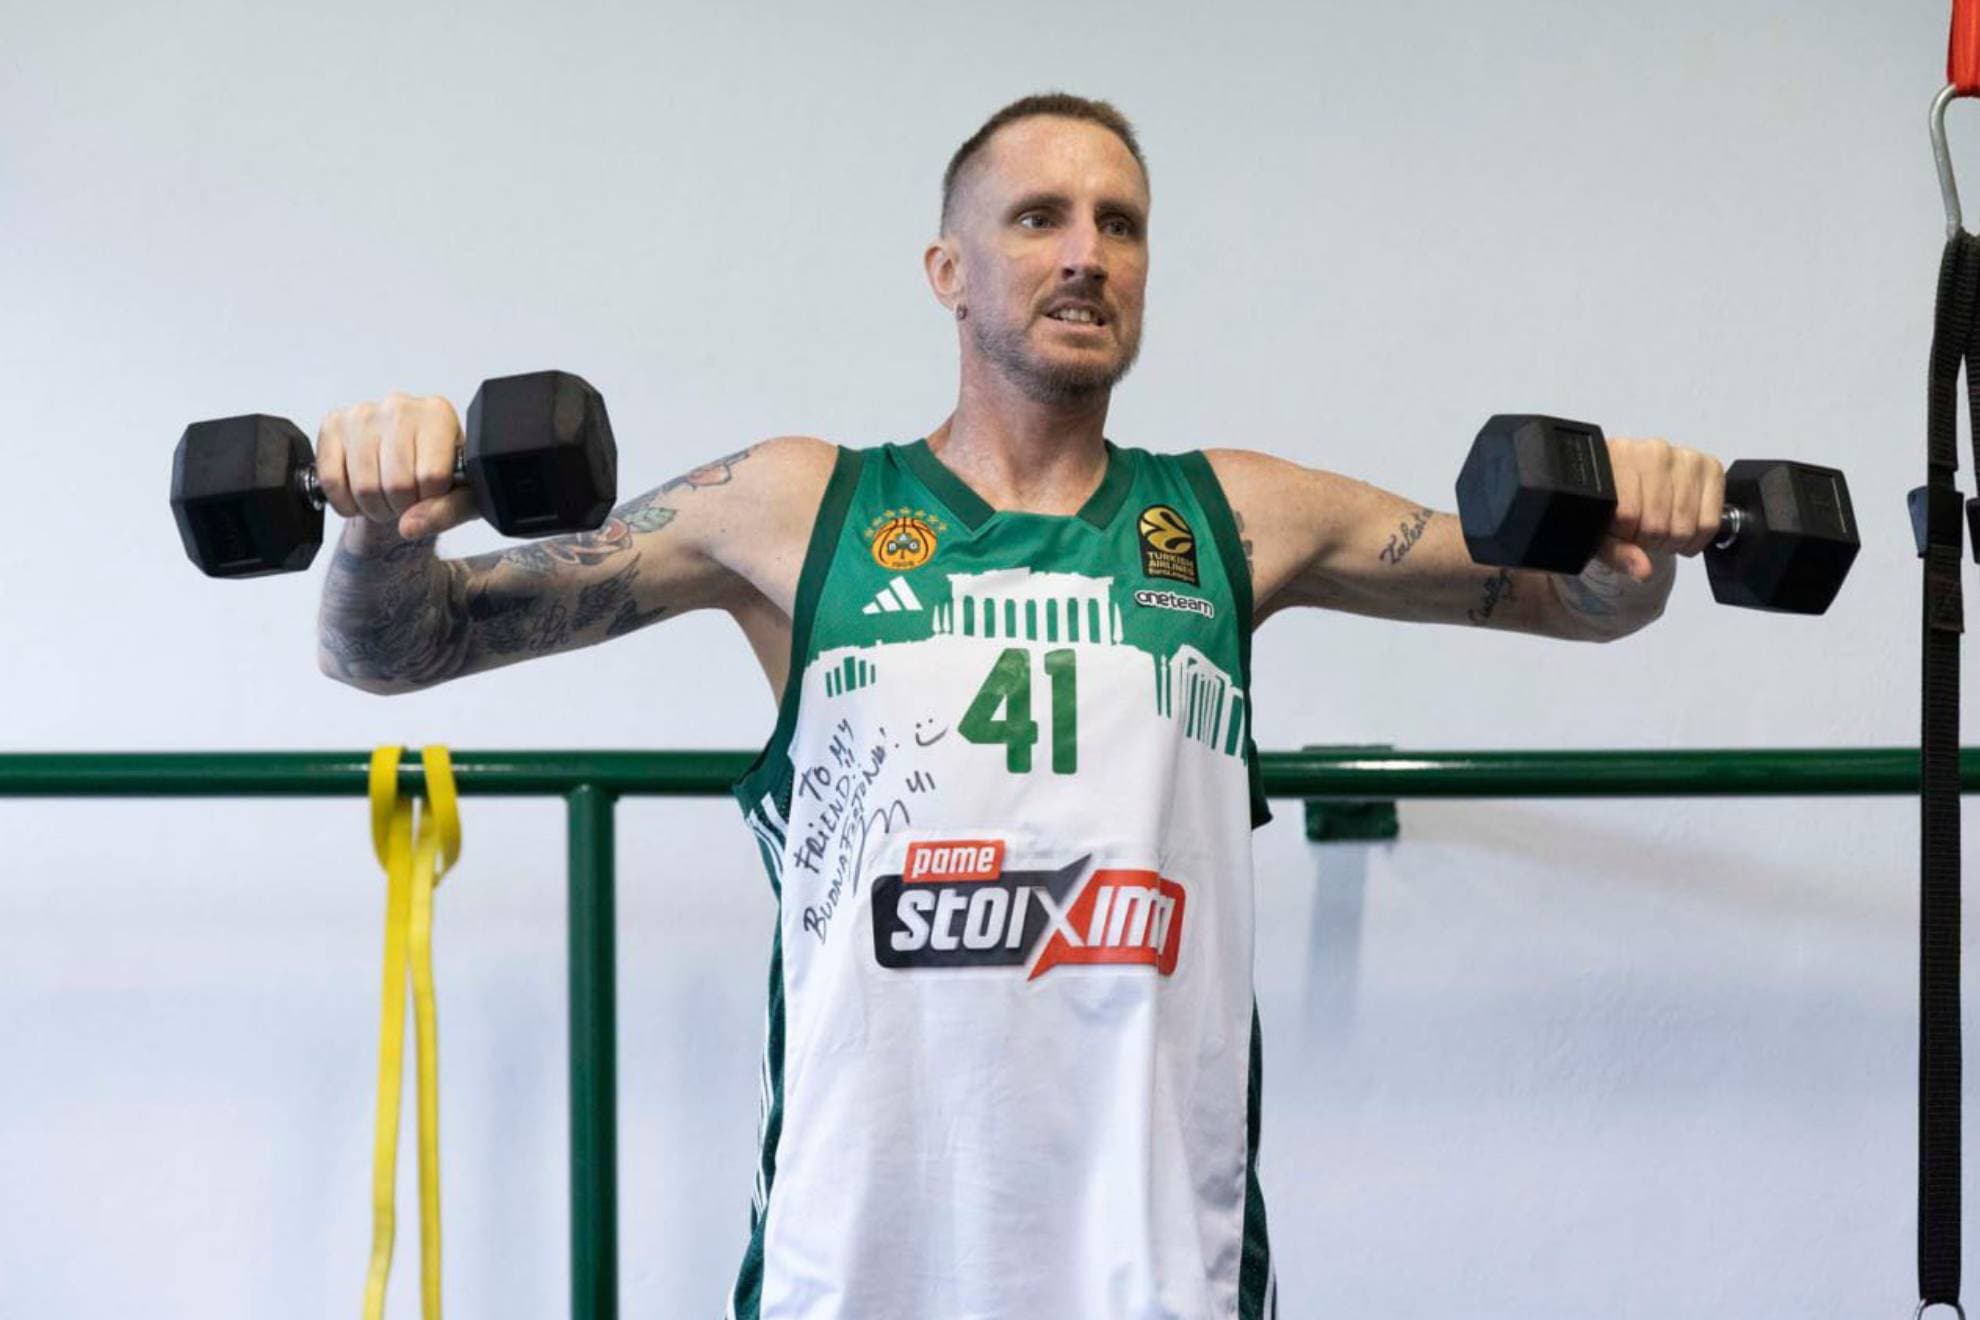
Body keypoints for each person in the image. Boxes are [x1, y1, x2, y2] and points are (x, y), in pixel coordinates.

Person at [314, 92, 1722, 1320]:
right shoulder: (797, 509)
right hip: (856, 1271)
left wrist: (1638, 545)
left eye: (1121, 223)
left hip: (1163, 1269)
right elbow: (403, 649)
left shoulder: (1234, 515)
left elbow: (1567, 597)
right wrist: (377, 530)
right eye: (1040, 216)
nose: (1086, 253)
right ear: (948, 268)